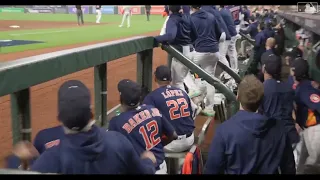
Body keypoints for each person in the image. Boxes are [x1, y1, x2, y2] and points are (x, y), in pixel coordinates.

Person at [30, 80, 157, 174]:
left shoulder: (49, 160)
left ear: (59, 118)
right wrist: (148, 161)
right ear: (91, 114)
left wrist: (18, 161)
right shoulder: (119, 142)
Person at [204, 75, 296, 174]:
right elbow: (289, 167)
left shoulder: (224, 131)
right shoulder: (279, 129)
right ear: (262, 99)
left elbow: (212, 170)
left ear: (237, 96)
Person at [108, 79, 178, 174]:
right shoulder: (153, 109)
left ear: (121, 99)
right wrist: (158, 146)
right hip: (162, 168)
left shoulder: (116, 122)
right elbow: (173, 135)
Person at [143, 65, 195, 152]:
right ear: (170, 79)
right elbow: (192, 114)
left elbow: (146, 122)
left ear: (155, 79)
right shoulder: (182, 92)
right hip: (190, 140)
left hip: (172, 144)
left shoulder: (152, 97)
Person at [187, 5, 222, 116]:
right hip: (215, 52)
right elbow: (219, 33)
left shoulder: (191, 18)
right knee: (210, 80)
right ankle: (209, 108)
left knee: (183, 70)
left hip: (200, 52)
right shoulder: (211, 16)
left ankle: (194, 91)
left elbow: (188, 37)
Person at [259, 54, 299, 147]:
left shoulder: (261, 89)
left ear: (264, 68)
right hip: (291, 137)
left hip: (273, 141)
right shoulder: (288, 88)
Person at [291, 59, 320, 173]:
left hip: (314, 131)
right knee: (302, 164)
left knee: (313, 166)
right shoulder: (302, 86)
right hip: (307, 131)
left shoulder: (305, 89)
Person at [219, 5, 239, 74]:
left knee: (222, 55)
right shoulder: (226, 10)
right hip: (233, 32)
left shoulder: (221, 12)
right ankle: (234, 69)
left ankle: (229, 73)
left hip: (230, 34)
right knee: (232, 52)